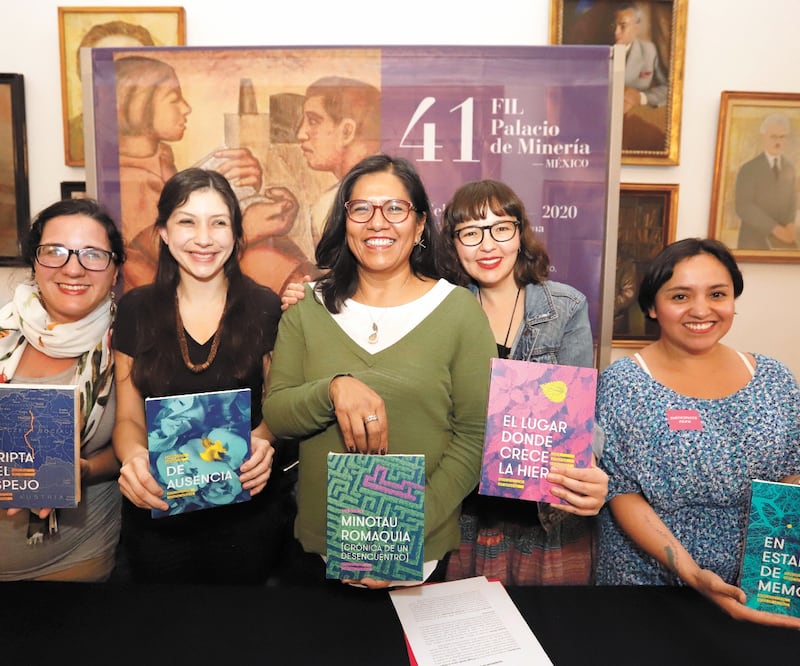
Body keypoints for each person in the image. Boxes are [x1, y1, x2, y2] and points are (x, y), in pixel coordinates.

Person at [262, 154, 496, 589]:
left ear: (421, 224)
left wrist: (402, 529)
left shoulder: (459, 311)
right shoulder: (307, 307)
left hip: (419, 552)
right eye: (361, 209)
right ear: (344, 220)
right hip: (320, 551)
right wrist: (334, 390)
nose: (378, 223)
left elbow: (474, 437)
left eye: (395, 208)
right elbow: (277, 414)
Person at [594, 237, 800, 630]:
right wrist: (691, 572)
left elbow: (790, 477)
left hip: (759, 589)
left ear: (733, 301)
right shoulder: (624, 383)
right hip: (650, 589)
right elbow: (620, 492)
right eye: (680, 296)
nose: (701, 310)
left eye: (717, 294)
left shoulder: (776, 379)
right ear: (653, 306)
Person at [112, 168, 294, 584]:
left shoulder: (266, 307)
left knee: (246, 639)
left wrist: (264, 440)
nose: (204, 239)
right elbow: (127, 418)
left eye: (218, 223)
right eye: (187, 222)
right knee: (165, 639)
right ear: (163, 231)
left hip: (248, 517)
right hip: (158, 518)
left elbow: (279, 405)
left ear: (235, 232)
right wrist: (135, 457)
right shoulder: (136, 310)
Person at [436, 179, 608, 585]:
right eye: (471, 233)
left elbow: (582, 415)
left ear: (520, 233)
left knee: (554, 638)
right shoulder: (439, 310)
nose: (488, 245)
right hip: (462, 515)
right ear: (454, 244)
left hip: (543, 518)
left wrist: (590, 465)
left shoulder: (565, 306)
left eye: (501, 228)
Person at [0, 198, 125, 581]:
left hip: (75, 556)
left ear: (115, 269)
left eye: (93, 254)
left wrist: (84, 470)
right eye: (55, 251)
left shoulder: (129, 344)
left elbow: (139, 449)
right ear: (35, 263)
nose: (73, 267)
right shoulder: (3, 335)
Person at [114, 56, 269, 290]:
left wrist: (244, 182)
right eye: (174, 99)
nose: (186, 108)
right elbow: (142, 264)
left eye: (219, 223)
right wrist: (253, 226)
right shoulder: (133, 182)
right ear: (137, 104)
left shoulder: (160, 158)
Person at [296, 77, 382, 246]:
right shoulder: (328, 203)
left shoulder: (327, 207)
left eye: (313, 121)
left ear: (347, 132)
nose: (301, 134)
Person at [67, 20, 156, 164]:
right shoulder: (71, 134)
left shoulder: (164, 131)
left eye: (133, 64)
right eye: (108, 66)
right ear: (86, 75)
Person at [734, 113, 798, 250]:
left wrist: (791, 225)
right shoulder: (749, 169)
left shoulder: (789, 168)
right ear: (764, 137)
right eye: (773, 136)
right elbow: (743, 206)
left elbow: (793, 200)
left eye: (782, 137)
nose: (778, 141)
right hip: (753, 241)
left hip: (783, 243)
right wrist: (775, 229)